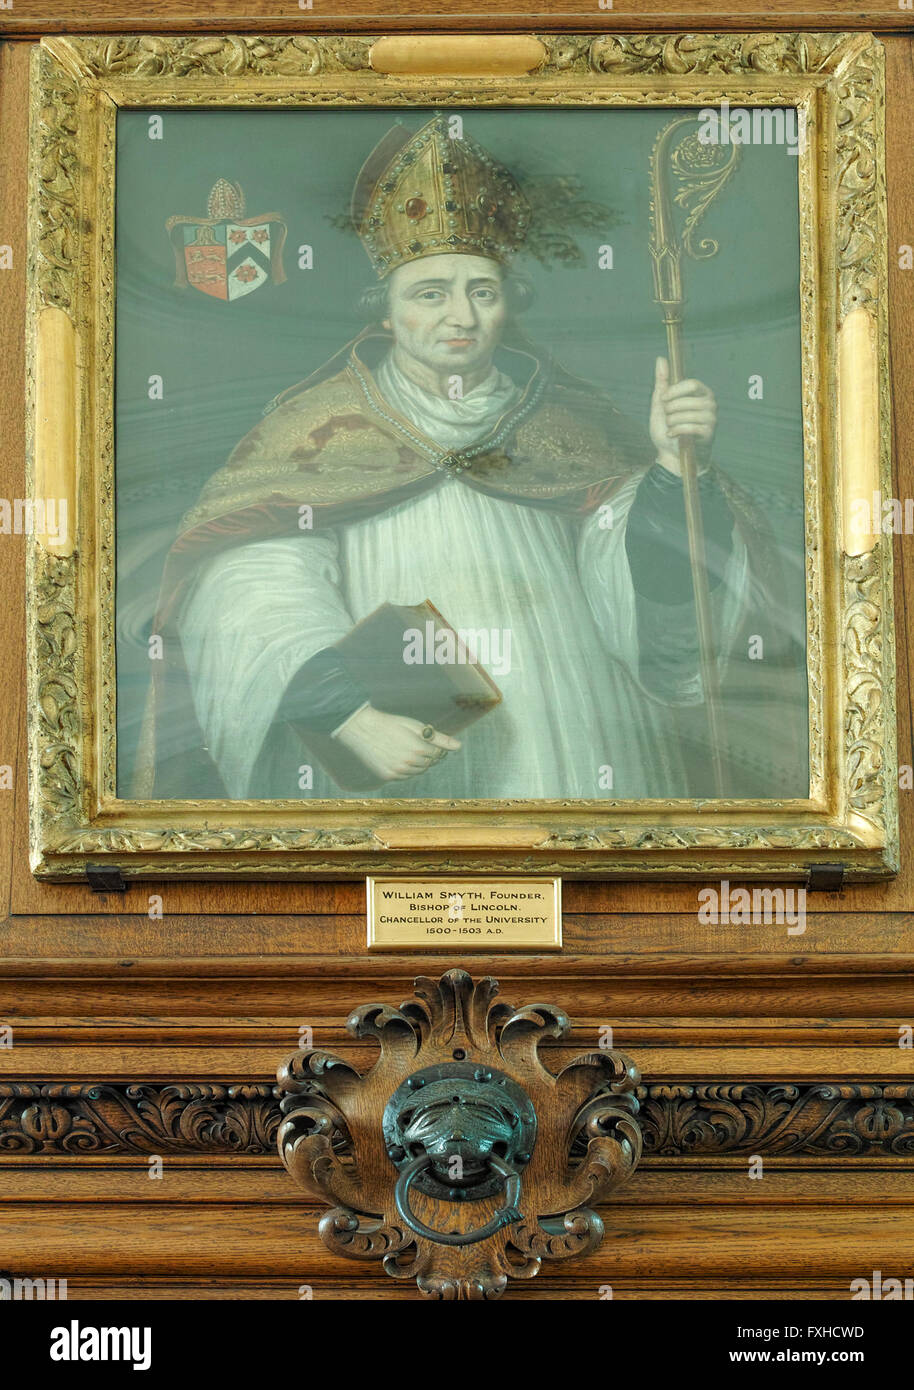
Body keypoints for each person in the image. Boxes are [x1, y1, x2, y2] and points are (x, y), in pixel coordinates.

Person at [136, 115, 789, 801]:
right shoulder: (314, 429)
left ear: (509, 304)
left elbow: (644, 600)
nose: (462, 317)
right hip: (393, 745)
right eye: (430, 294)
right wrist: (347, 712)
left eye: (483, 291)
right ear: (384, 313)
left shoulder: (569, 424)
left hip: (577, 736)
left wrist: (668, 476)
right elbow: (251, 584)